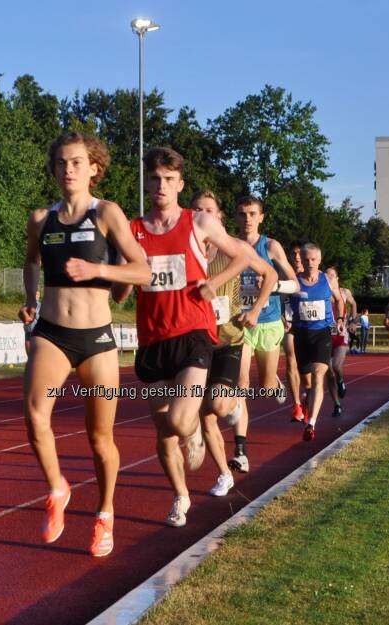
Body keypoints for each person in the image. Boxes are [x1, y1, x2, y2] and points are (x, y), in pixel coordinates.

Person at [20, 132, 150, 557]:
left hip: (97, 340)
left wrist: (97, 268)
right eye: (61, 163)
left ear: (94, 168)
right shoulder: (42, 219)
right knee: (36, 416)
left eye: (76, 162)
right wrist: (29, 300)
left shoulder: (107, 213)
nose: (68, 169)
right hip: (53, 333)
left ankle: (105, 514)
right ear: (53, 169)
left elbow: (142, 272)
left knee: (99, 438)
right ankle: (58, 488)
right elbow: (31, 260)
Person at [114, 147, 247, 527]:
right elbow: (120, 293)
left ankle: (196, 432)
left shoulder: (198, 222)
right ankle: (180, 496)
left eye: (169, 180)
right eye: (154, 179)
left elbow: (239, 255)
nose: (161, 186)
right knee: (164, 433)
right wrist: (121, 274)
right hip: (153, 340)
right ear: (147, 182)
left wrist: (214, 283)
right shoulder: (132, 230)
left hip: (193, 334)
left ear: (179, 184)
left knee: (179, 420)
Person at [191, 190, 277, 497]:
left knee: (218, 405)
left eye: (209, 210)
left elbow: (270, 274)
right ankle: (225, 474)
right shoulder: (186, 250)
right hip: (196, 341)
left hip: (228, 338)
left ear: (219, 217)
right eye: (196, 209)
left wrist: (255, 310)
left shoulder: (236, 248)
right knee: (203, 414)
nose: (202, 215)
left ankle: (235, 408)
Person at [229, 196, 298, 472]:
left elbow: (294, 283)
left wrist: (274, 284)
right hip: (240, 323)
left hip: (268, 323)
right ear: (235, 218)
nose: (247, 219)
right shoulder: (228, 245)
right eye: (242, 214)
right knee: (241, 383)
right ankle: (241, 450)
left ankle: (275, 384)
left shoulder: (270, 246)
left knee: (266, 386)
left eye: (252, 214)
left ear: (261, 217)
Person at [288, 243, 345, 441]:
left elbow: (339, 300)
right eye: (306, 260)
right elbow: (279, 297)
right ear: (301, 261)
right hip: (301, 334)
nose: (310, 263)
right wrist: (283, 317)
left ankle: (311, 423)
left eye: (313, 259)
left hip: (322, 333)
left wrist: (339, 319)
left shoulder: (327, 280)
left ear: (319, 260)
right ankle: (308, 401)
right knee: (307, 382)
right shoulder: (294, 281)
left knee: (319, 374)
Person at [325, 267, 356, 418]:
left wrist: (352, 321)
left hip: (340, 333)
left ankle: (341, 380)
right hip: (324, 335)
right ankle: (336, 404)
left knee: (336, 366)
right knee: (328, 372)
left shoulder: (344, 292)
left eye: (332, 275)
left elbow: (353, 304)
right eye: (326, 274)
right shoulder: (321, 291)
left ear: (337, 278)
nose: (328, 277)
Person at [283, 241, 307, 423]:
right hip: (290, 325)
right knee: (290, 361)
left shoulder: (311, 276)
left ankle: (307, 395)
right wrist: (283, 318)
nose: (297, 257)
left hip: (308, 326)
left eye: (300, 254)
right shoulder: (284, 275)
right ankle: (297, 405)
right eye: (294, 254)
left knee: (307, 369)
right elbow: (277, 298)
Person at [24, 290, 41, 355]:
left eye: (37, 295)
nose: (36, 296)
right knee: (28, 351)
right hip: (28, 329)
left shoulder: (40, 306)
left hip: (36, 330)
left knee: (36, 350)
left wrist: (34, 314)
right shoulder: (27, 304)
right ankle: (29, 360)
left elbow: (40, 317)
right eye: (35, 294)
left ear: (39, 296)